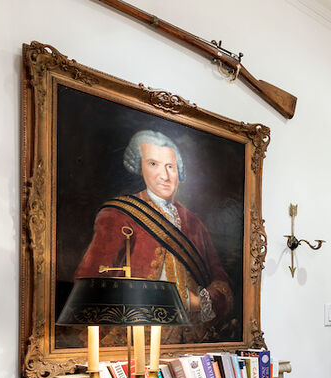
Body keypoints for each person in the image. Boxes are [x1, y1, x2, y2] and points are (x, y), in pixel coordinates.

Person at [74, 129, 235, 343]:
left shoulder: (194, 223)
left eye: (171, 167)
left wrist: (198, 302)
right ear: (139, 168)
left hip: (189, 343)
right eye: (153, 164)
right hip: (137, 343)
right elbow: (90, 285)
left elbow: (221, 281)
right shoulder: (117, 216)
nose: (165, 175)